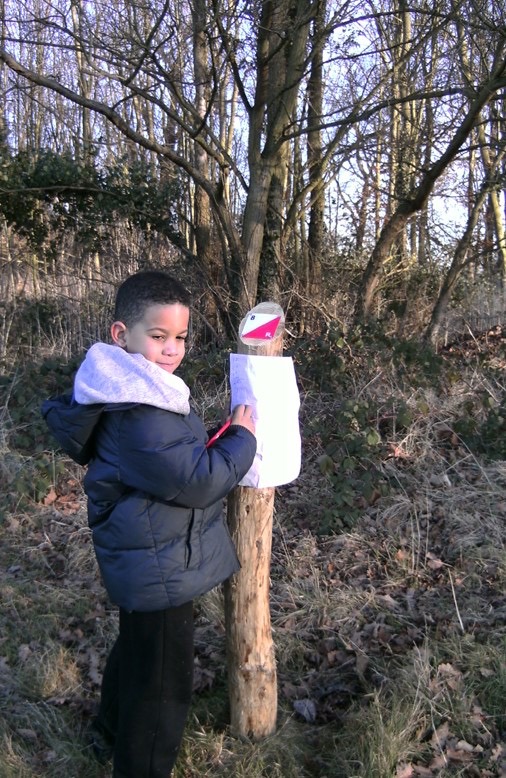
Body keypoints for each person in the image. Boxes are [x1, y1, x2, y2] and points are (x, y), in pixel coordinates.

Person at [41, 269, 257, 777]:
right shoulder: (139, 410)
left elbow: (172, 458)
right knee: (161, 687)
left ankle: (108, 733)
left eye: (180, 337)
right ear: (122, 334)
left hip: (150, 555)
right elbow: (199, 480)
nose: (172, 349)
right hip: (159, 564)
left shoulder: (130, 387)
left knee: (138, 652)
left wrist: (214, 436)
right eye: (159, 336)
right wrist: (242, 438)